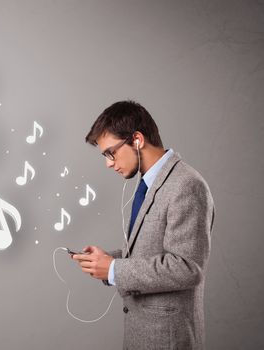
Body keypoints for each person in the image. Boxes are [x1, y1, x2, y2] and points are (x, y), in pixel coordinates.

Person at [73, 100, 215, 349]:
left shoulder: (186, 185)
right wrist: (107, 260)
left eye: (110, 152)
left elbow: (187, 267)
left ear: (137, 139)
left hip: (168, 340)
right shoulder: (149, 183)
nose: (108, 163)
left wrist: (115, 269)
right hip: (142, 336)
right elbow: (153, 252)